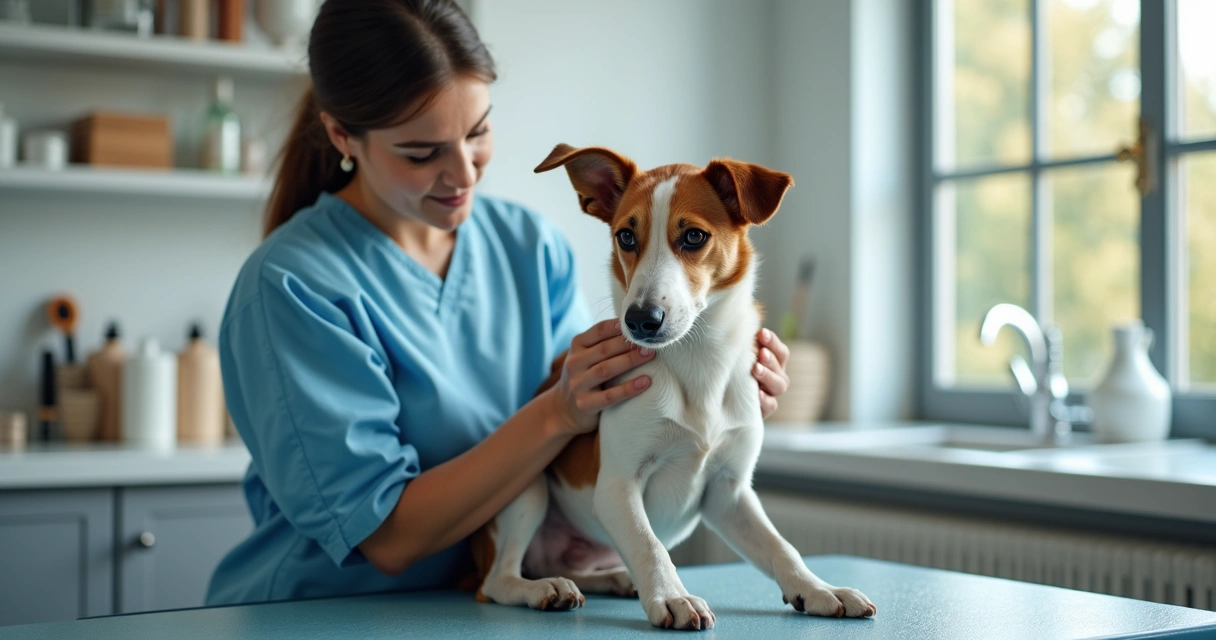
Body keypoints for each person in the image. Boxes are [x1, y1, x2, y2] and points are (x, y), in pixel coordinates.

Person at [205, 0, 791, 607]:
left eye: (477, 130)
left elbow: (604, 427)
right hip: (325, 612)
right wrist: (557, 411)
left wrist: (720, 387)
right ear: (341, 136)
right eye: (420, 152)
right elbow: (386, 537)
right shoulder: (290, 286)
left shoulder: (529, 246)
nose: (463, 173)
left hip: (500, 601)